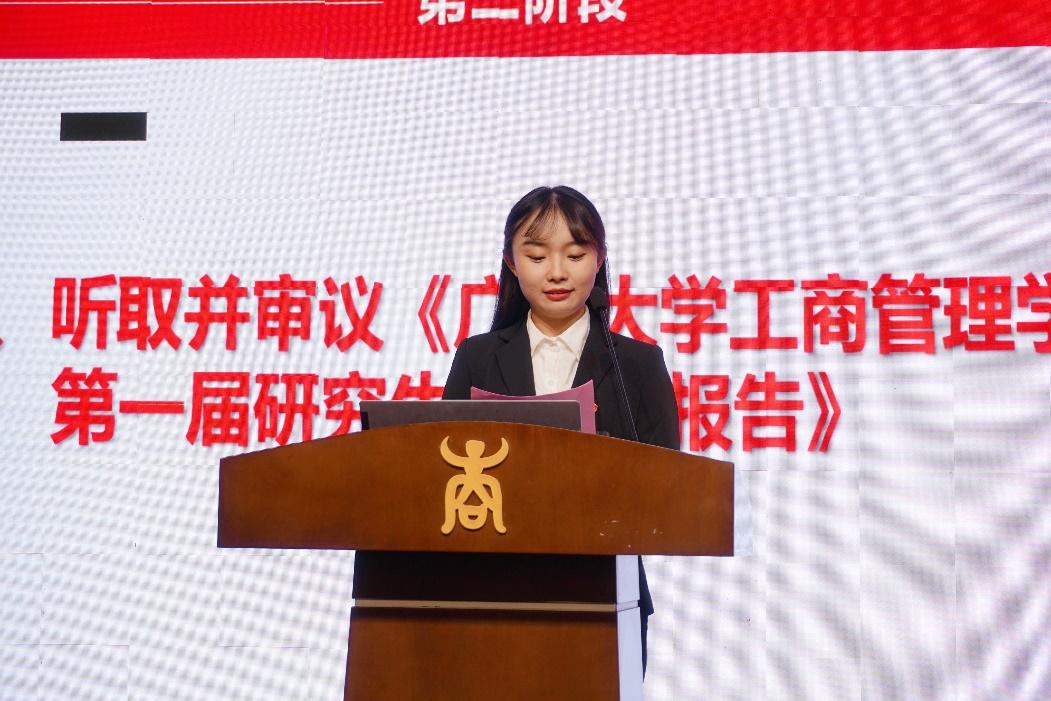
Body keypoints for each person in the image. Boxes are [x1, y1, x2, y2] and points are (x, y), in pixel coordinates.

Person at [442, 185, 680, 673]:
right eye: (536, 256)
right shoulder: (477, 357)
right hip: (490, 594)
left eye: (574, 255)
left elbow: (667, 486)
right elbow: (441, 472)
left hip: (607, 597)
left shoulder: (638, 364)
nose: (556, 272)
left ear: (599, 259)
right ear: (511, 263)